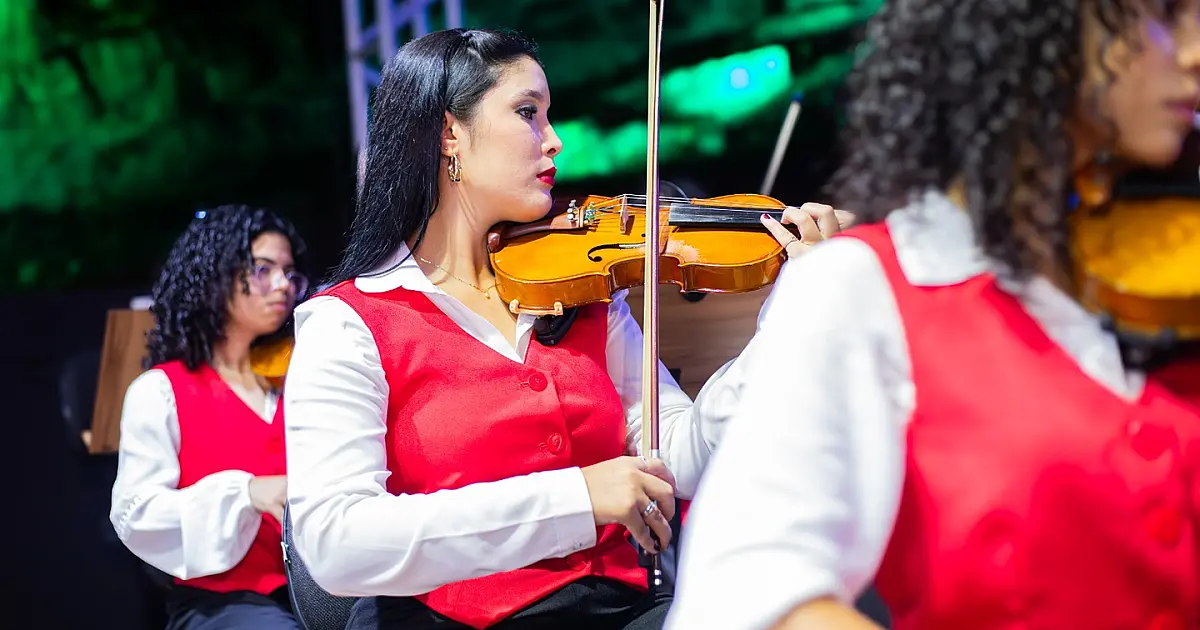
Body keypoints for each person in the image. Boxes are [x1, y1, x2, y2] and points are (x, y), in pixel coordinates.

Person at [281, 28, 845, 630]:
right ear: (450, 133)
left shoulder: (581, 290)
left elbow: (679, 457)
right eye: (528, 114)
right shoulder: (348, 323)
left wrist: (791, 319)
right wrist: (577, 497)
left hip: (620, 612)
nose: (554, 141)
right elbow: (337, 542)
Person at [666, 1, 1200, 629]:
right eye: (1162, 14)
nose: (1193, 50)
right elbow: (741, 600)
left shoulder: (1169, 251)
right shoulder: (862, 287)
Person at [110, 205, 309, 630]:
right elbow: (134, 513)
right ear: (216, 274)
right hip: (221, 605)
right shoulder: (160, 391)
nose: (283, 286)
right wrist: (247, 492)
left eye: (290, 273)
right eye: (263, 269)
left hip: (318, 591)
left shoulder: (298, 383)